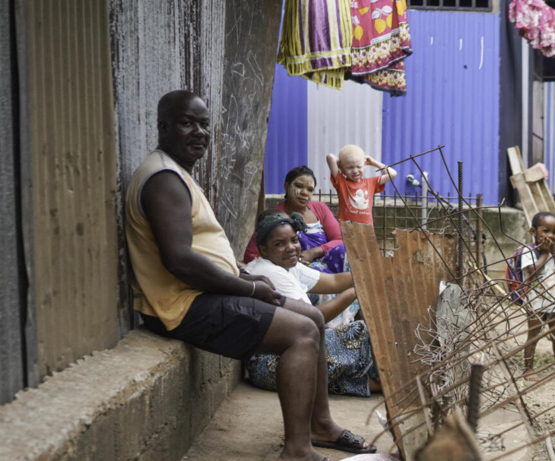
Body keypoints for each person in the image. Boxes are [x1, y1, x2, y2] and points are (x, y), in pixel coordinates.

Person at [125, 90, 374, 460]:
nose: (198, 132)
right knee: (302, 332)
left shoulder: (175, 174)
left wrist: (245, 281)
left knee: (311, 318)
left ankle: (320, 424)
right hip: (183, 304)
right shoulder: (164, 180)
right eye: (186, 123)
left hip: (202, 293)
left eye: (204, 125)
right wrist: (248, 287)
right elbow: (179, 261)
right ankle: (297, 450)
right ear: (162, 127)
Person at [244, 211, 380, 397]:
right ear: (264, 250)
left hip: (288, 354)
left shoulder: (287, 264)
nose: (291, 248)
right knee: (359, 332)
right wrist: (357, 292)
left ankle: (376, 383)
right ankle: (386, 376)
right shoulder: (270, 272)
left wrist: (373, 275)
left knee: (352, 357)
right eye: (279, 244)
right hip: (271, 362)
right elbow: (314, 317)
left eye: (294, 240)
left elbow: (332, 282)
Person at [244, 166, 347, 274]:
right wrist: (289, 263)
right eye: (299, 186)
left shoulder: (320, 209)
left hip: (327, 260)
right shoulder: (274, 216)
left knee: (345, 251)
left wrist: (314, 252)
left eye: (310, 189)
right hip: (298, 269)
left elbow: (339, 239)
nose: (304, 192)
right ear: (286, 186)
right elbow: (251, 255)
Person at [518, 212, 555, 381]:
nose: (550, 236)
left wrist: (552, 251)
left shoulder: (554, 250)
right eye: (545, 231)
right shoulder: (528, 251)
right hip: (535, 301)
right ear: (533, 232)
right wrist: (544, 253)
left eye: (554, 232)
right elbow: (532, 271)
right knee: (533, 335)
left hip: (554, 299)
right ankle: (528, 369)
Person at [326, 144, 397, 226]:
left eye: (359, 167)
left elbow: (392, 173)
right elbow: (330, 157)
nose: (355, 171)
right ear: (342, 167)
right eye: (350, 168)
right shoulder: (341, 182)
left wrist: (373, 162)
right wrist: (342, 162)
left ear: (364, 165)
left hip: (366, 231)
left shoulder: (371, 182)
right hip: (346, 229)